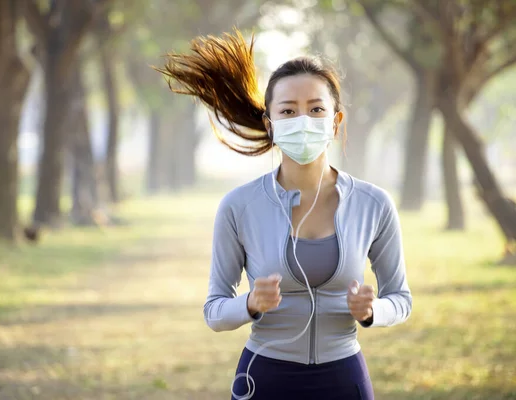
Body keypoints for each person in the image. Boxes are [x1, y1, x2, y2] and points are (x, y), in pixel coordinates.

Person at [155, 30, 412, 400]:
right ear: (270, 123)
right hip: (264, 377)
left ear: (335, 121)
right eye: (289, 110)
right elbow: (214, 311)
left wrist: (373, 311)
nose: (303, 119)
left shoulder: (373, 204)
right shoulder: (239, 206)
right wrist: (249, 303)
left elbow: (400, 298)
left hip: (344, 377)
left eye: (316, 109)